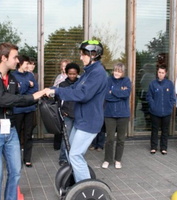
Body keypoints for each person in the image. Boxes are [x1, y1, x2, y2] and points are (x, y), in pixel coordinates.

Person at [0, 42, 45, 200]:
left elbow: (21, 97)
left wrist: (39, 94)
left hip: (10, 129)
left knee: (15, 172)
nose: (18, 61)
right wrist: (35, 95)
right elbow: (4, 99)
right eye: (15, 57)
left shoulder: (13, 78)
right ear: (3, 58)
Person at [45, 40, 108, 183]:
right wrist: (54, 90)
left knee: (75, 155)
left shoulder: (98, 73)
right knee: (70, 152)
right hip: (81, 120)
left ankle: (86, 187)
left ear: (93, 55)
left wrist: (56, 92)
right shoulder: (88, 73)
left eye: (83, 54)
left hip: (89, 121)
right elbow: (74, 89)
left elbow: (83, 95)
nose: (80, 57)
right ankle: (75, 180)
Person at [101, 63, 131, 169]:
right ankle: (107, 159)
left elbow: (126, 94)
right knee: (109, 138)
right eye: (115, 70)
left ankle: (118, 160)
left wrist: (112, 91)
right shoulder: (108, 80)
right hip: (109, 114)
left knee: (120, 139)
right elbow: (106, 96)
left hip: (123, 114)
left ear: (123, 72)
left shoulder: (126, 81)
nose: (117, 73)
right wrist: (119, 93)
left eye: (119, 71)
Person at [12, 55, 38, 168]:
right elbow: (17, 92)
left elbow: (35, 91)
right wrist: (27, 84)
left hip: (30, 109)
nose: (28, 66)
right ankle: (15, 159)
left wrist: (25, 88)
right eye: (26, 63)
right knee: (16, 134)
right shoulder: (13, 76)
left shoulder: (30, 75)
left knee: (28, 134)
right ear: (20, 64)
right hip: (17, 109)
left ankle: (27, 158)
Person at [146, 65, 176, 155]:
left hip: (166, 112)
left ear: (165, 73)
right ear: (157, 73)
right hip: (155, 112)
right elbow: (149, 96)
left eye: (162, 73)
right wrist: (153, 106)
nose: (161, 74)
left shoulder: (169, 84)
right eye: (159, 72)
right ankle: (153, 147)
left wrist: (170, 106)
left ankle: (163, 147)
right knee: (154, 130)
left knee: (165, 130)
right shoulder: (152, 84)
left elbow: (172, 97)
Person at [57, 62, 80, 166]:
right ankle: (63, 158)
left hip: (78, 115)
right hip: (67, 115)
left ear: (77, 74)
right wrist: (62, 111)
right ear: (66, 73)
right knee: (66, 138)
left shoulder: (80, 84)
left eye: (74, 74)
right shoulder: (62, 85)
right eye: (70, 74)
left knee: (77, 138)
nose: (72, 76)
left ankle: (74, 157)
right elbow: (58, 101)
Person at [53, 59, 71, 150]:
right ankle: (57, 145)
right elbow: (54, 88)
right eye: (63, 66)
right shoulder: (59, 77)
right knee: (59, 123)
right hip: (59, 102)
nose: (64, 68)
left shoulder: (74, 77)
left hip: (69, 104)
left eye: (66, 66)